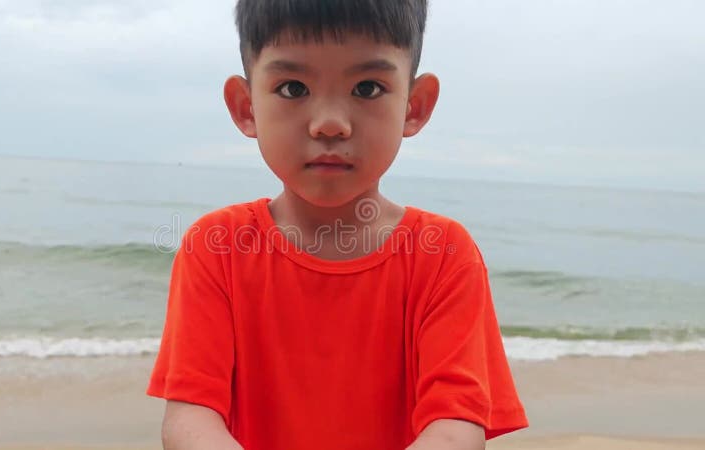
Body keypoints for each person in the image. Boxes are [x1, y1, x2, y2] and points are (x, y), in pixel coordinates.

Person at [147, 1, 528, 449]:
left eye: (367, 88)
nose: (330, 124)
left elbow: (455, 428)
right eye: (293, 88)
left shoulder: (443, 253)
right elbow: (191, 421)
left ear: (415, 106)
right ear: (245, 107)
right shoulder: (216, 248)